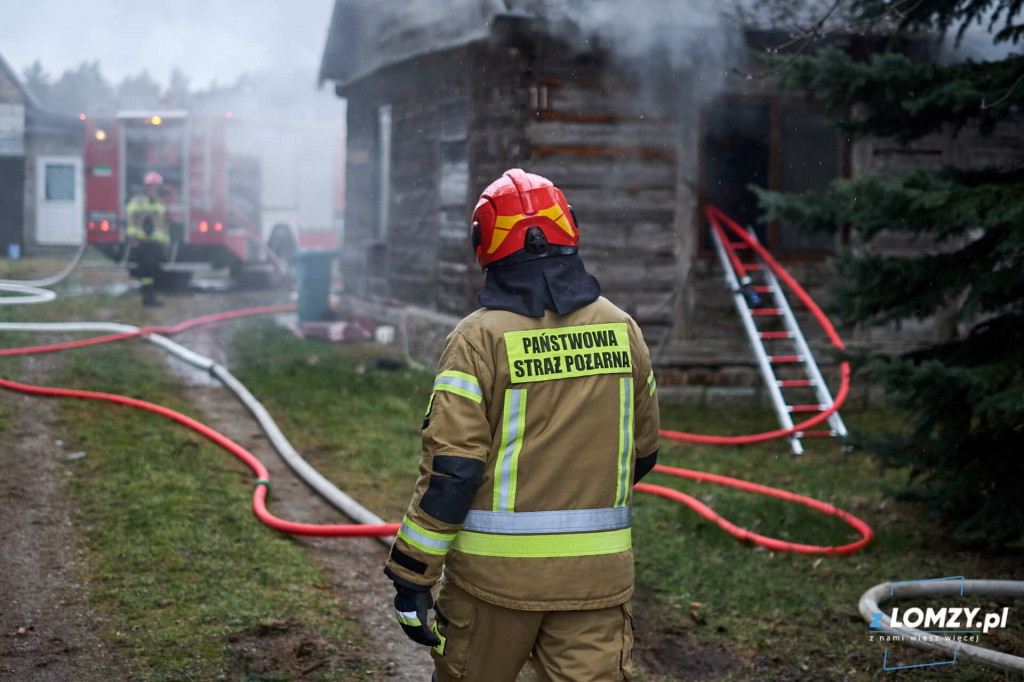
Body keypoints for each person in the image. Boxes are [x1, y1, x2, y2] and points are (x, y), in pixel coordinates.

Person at [384, 168, 661, 681]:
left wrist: (412, 573)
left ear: (484, 244)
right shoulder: (623, 331)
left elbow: (453, 473)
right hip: (596, 585)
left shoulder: (477, 340)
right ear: (568, 230)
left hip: (493, 586)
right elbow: (642, 454)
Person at [125, 171, 170, 306]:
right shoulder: (137, 202)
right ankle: (148, 298)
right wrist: (133, 239)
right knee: (145, 272)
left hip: (156, 245)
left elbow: (164, 227)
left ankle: (149, 297)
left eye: (156, 187)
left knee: (153, 271)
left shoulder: (161, 205)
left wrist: (166, 245)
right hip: (141, 243)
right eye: (151, 187)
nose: (153, 190)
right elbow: (131, 219)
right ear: (146, 188)